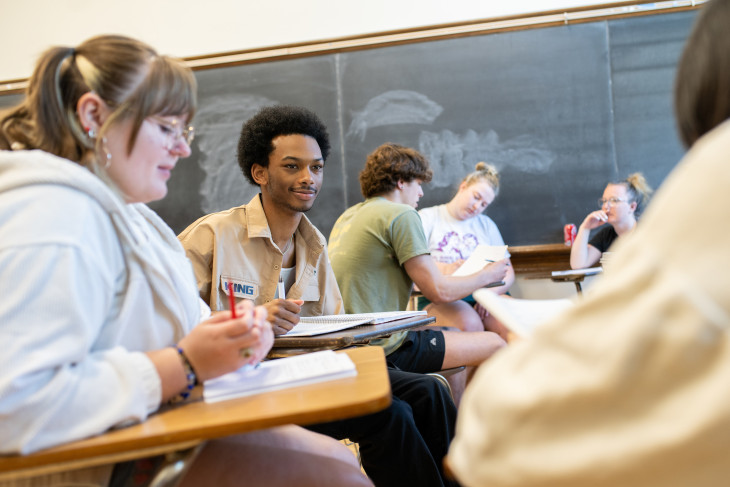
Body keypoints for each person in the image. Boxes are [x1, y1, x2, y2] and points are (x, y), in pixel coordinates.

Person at [0, 36, 371, 487]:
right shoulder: (54, 218)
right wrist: (186, 364)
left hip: (165, 427)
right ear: (94, 117)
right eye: (166, 128)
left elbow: (182, 326)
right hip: (109, 460)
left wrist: (232, 333)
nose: (183, 150)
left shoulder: (128, 215)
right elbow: (14, 402)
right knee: (337, 475)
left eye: (184, 132)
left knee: (342, 462)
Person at [448, 1, 730, 486]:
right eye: (603, 201)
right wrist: (586, 223)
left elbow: (500, 440)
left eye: (615, 202)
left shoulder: (697, 194)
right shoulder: (609, 233)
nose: (608, 207)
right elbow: (578, 266)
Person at [179, 105, 459, 487]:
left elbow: (334, 326)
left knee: (428, 392)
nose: (308, 178)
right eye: (292, 166)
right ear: (259, 172)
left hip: (305, 373)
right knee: (390, 415)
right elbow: (173, 326)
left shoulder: (314, 244)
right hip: (246, 384)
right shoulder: (212, 236)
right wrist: (252, 320)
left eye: (317, 167)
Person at [328, 143, 509, 400]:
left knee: (457, 335)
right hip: (382, 343)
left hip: (347, 340)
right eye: (419, 183)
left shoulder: (349, 215)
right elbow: (440, 291)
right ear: (401, 182)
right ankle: (466, 429)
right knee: (496, 345)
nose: (422, 193)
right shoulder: (401, 214)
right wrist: (488, 275)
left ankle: (450, 424)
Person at [418, 162, 515, 335]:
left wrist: (490, 295)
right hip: (444, 297)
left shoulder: (486, 225)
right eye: (476, 197)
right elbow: (414, 266)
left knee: (512, 322)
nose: (477, 207)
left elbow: (507, 271)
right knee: (470, 324)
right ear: (463, 187)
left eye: (484, 204)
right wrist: (446, 268)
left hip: (483, 294)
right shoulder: (428, 218)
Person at [569, 172, 653, 269]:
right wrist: (585, 227)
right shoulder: (606, 235)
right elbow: (578, 265)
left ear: (632, 206)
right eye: (604, 201)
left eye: (614, 200)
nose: (606, 206)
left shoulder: (648, 231)